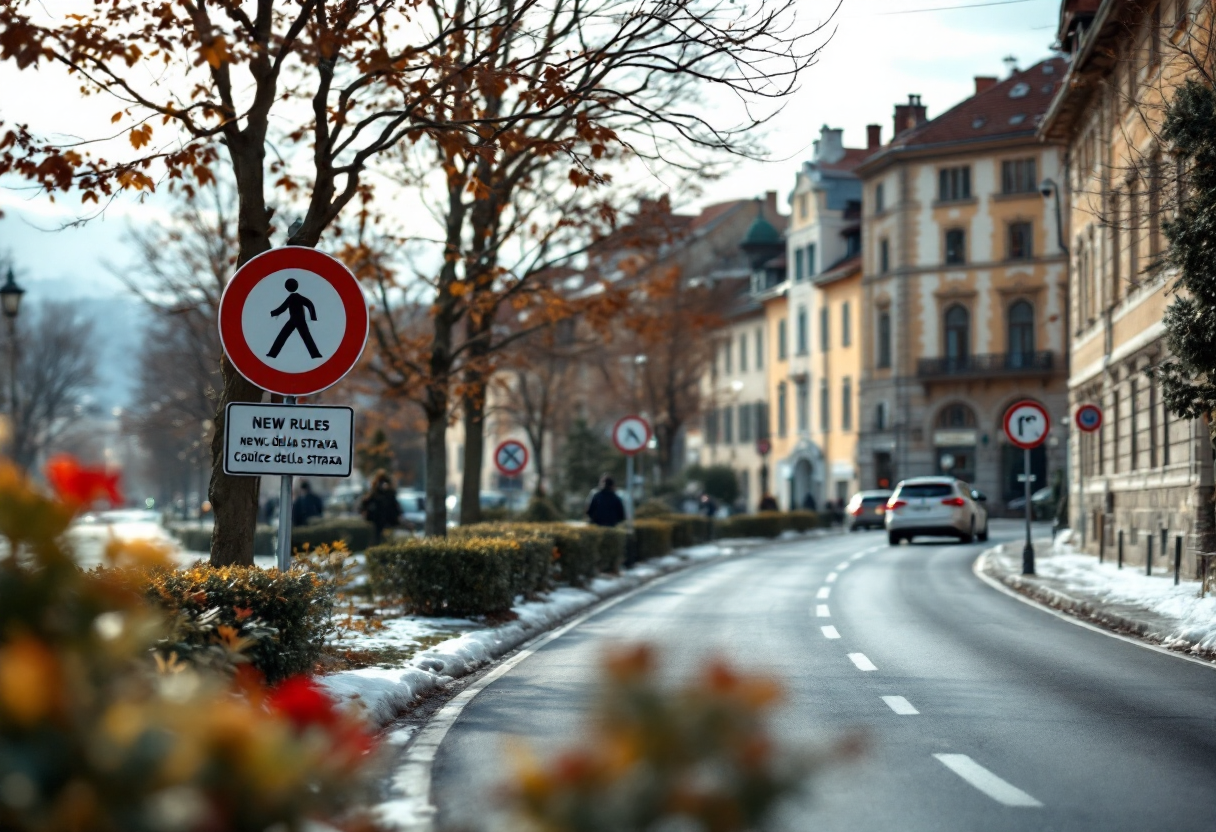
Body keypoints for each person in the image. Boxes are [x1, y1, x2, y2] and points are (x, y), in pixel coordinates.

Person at [360, 471, 402, 545]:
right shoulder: (375, 493)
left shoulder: (389, 494)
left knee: (388, 540)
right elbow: (364, 503)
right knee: (378, 540)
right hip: (378, 521)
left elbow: (395, 507)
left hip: (388, 521)